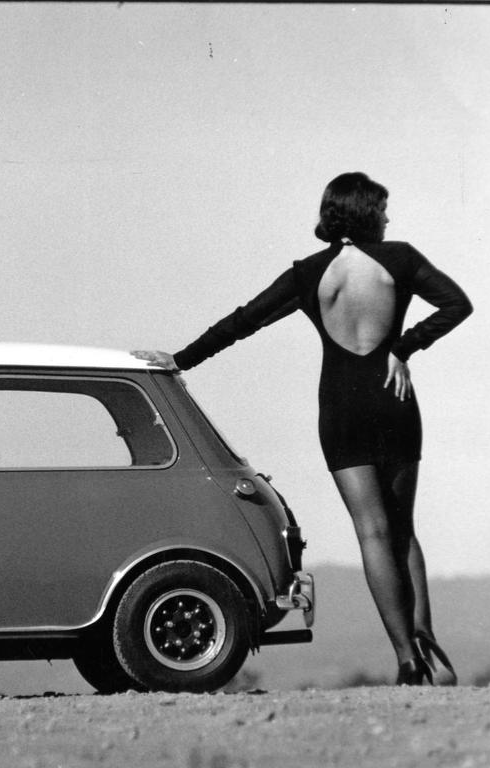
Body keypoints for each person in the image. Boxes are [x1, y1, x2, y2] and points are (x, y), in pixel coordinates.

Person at [133, 172, 472, 685]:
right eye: (382, 208)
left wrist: (180, 359)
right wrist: (404, 348)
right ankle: (428, 643)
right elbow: (457, 305)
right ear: (363, 212)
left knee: (372, 532)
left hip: (341, 408)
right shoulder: (401, 258)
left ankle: (405, 658)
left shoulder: (309, 273)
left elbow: (242, 321)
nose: (388, 217)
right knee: (402, 529)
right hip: (394, 399)